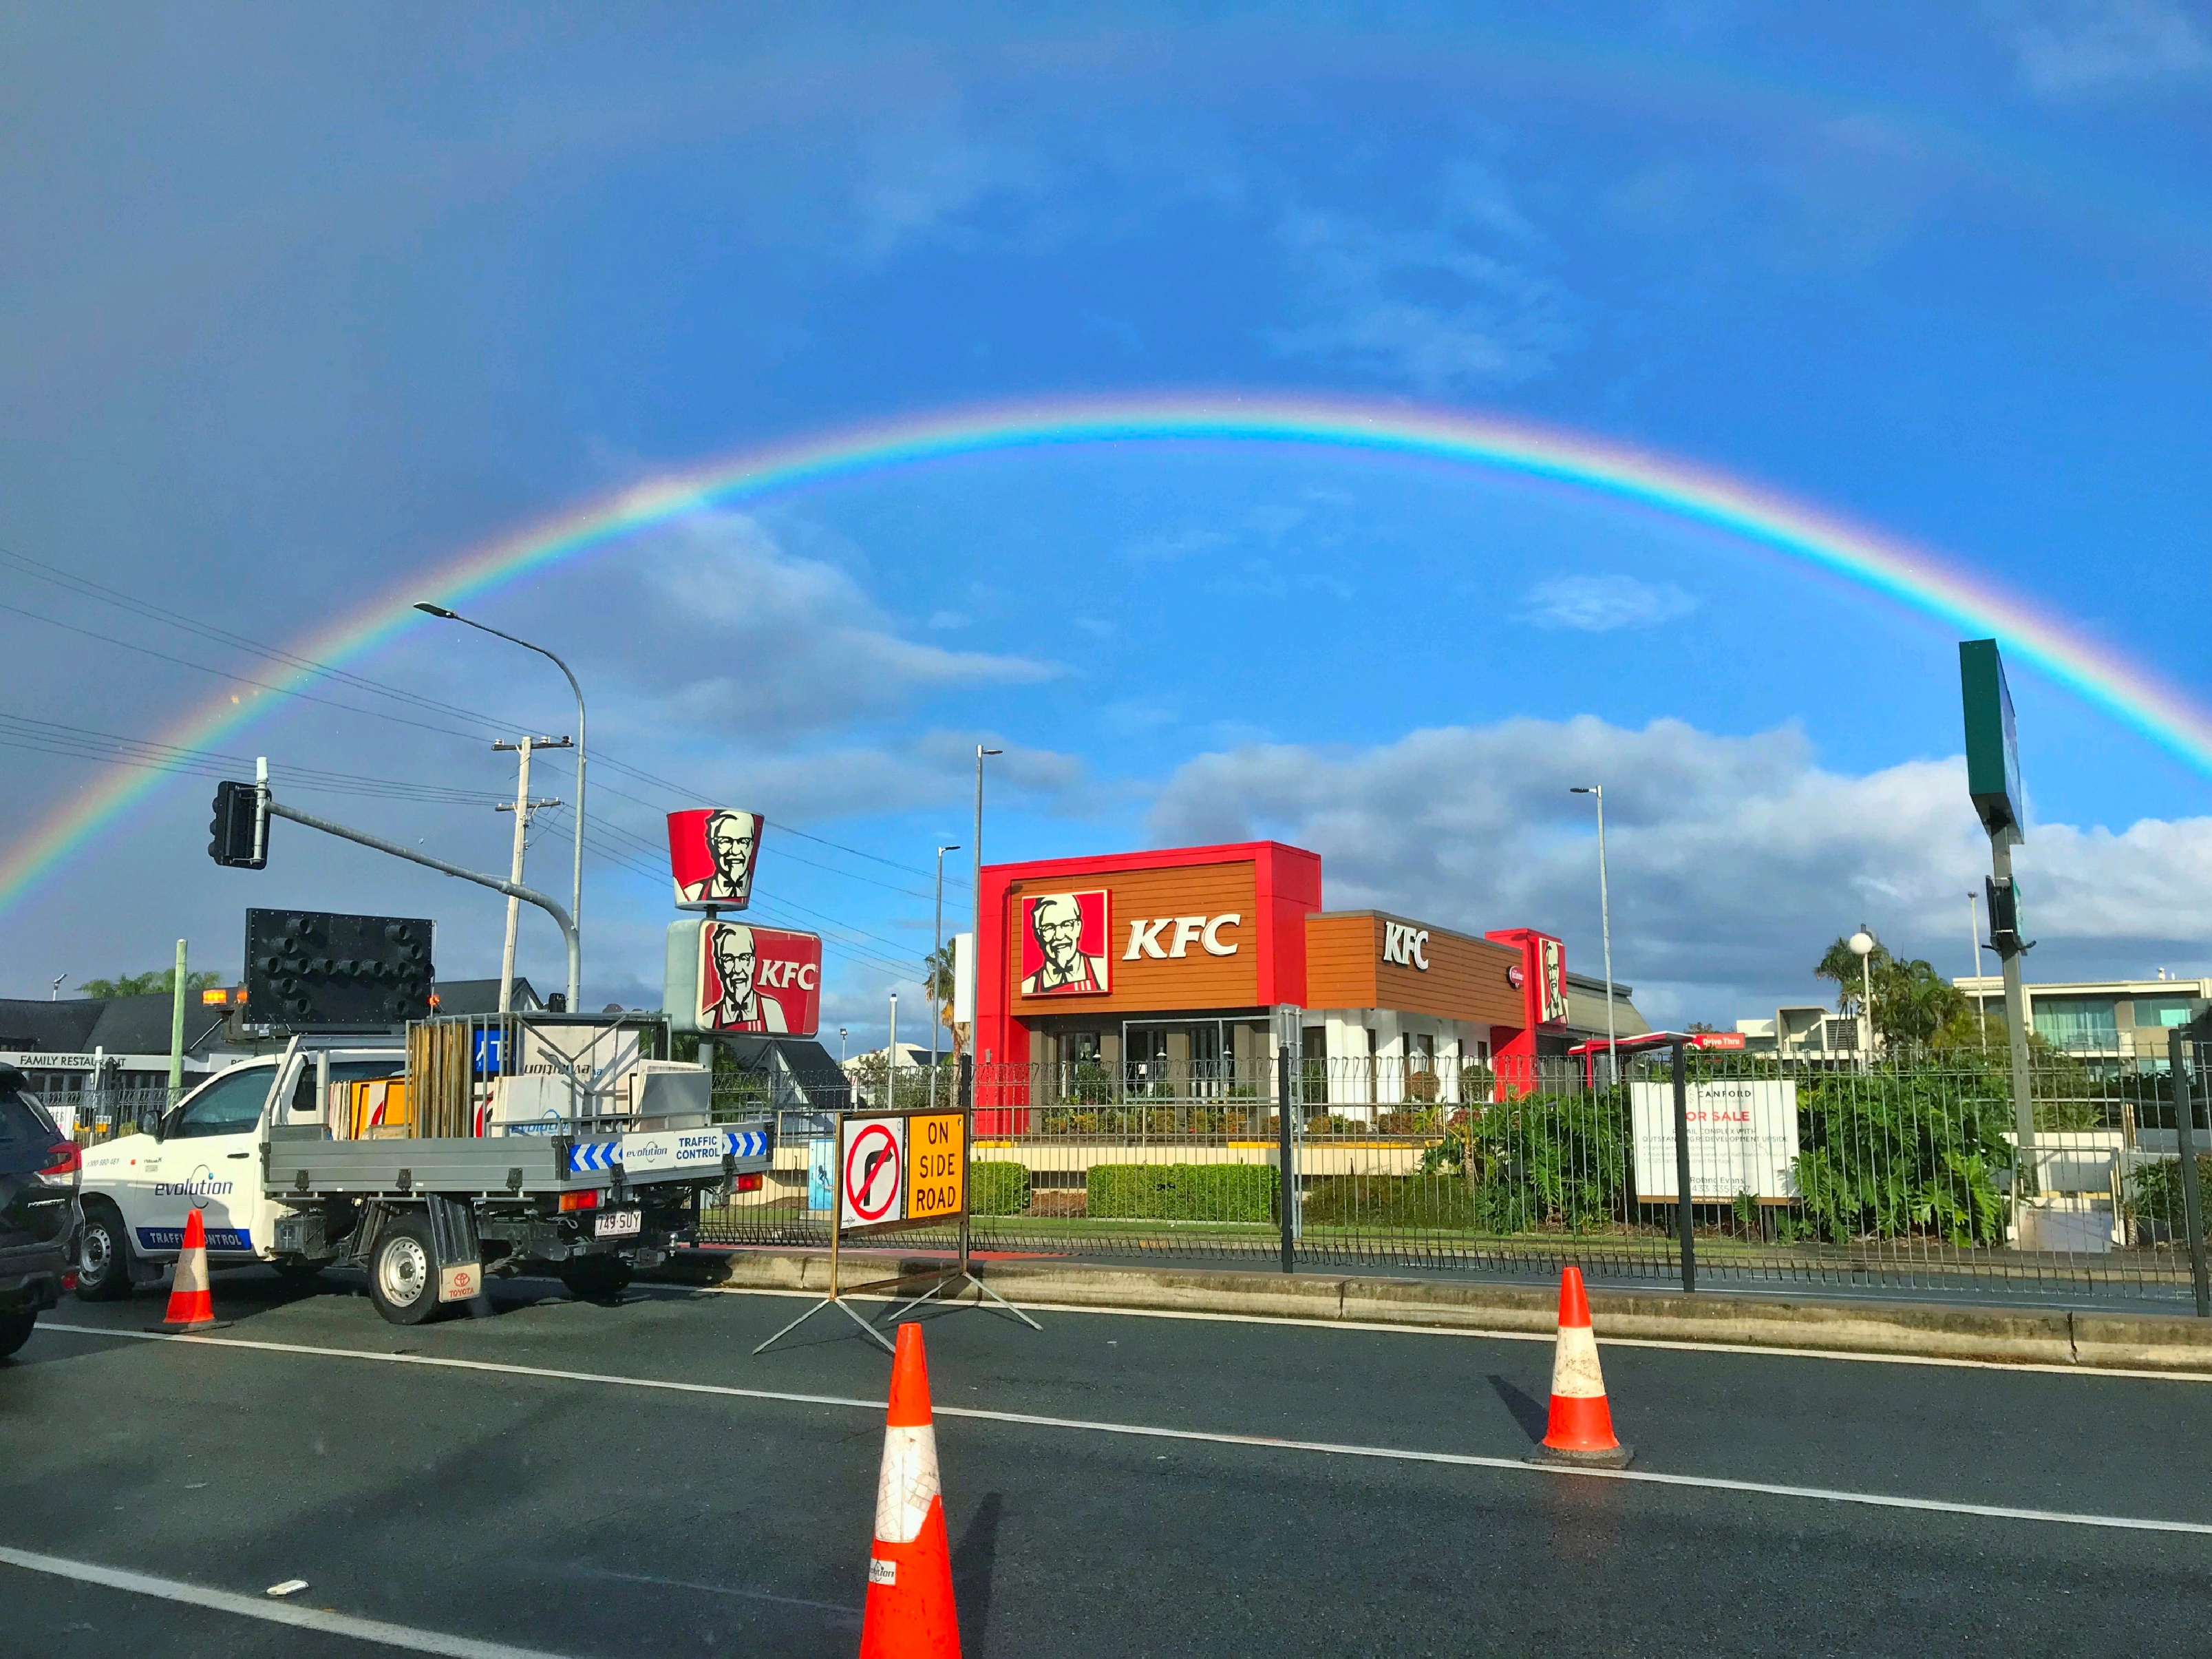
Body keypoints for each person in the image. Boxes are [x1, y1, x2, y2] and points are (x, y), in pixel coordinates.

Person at [704, 923, 788, 1032]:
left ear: (753, 962)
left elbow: (780, 1046)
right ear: (719, 965)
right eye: (728, 959)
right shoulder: (708, 1019)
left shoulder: (771, 1010)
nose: (738, 969)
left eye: (744, 958)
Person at [1022, 893, 1107, 995]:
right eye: (1049, 927)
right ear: (1039, 934)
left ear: (1078, 927)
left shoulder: (1101, 970)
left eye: (1066, 925)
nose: (1059, 936)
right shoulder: (1028, 987)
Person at [680, 810, 758, 905]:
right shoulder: (694, 893)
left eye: (743, 841)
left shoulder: (755, 890)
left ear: (751, 845)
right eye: (726, 841)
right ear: (712, 845)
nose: (735, 851)